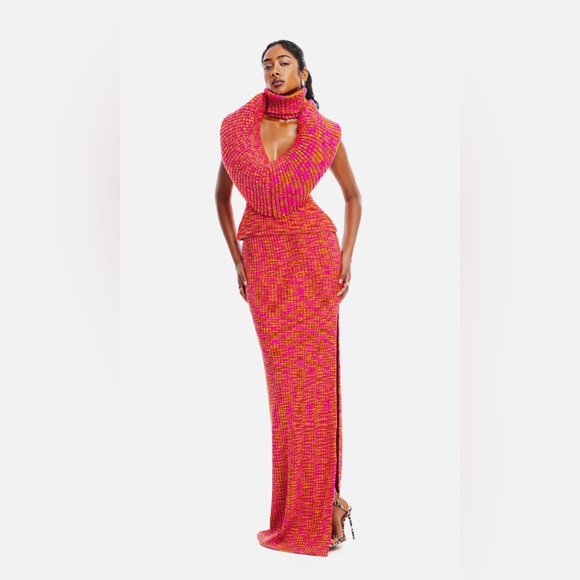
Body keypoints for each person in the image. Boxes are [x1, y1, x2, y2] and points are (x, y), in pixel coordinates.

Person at [215, 39, 362, 557]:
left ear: (303, 71)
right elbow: (220, 196)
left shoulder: (323, 132)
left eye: (283, 62)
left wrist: (346, 255)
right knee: (285, 393)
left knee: (316, 390)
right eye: (266, 64)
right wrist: (237, 260)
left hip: (314, 258)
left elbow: (353, 196)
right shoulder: (238, 131)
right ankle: (308, 509)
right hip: (263, 261)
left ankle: (324, 507)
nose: (274, 70)